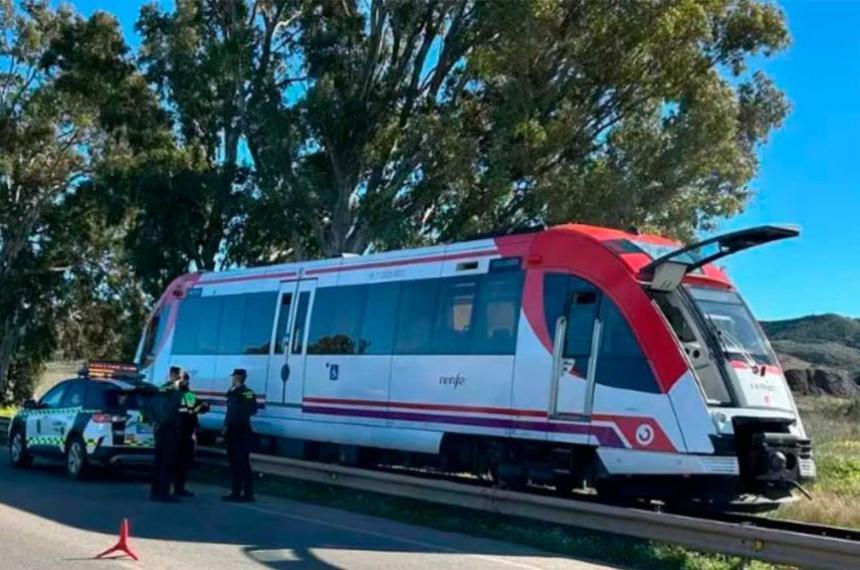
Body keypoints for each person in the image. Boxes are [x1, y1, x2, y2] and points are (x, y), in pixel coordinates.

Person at [147, 366, 183, 502]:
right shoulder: (175, 392)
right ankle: (164, 493)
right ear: (178, 376)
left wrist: (155, 422)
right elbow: (172, 411)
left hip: (159, 429)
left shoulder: (160, 389)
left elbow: (150, 407)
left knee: (158, 461)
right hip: (170, 428)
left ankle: (154, 492)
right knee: (167, 462)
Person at [222, 368, 258, 503]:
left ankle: (238, 493)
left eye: (234, 377)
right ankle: (246, 493)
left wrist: (225, 427)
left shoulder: (235, 393)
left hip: (236, 430)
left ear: (237, 377)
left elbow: (231, 413)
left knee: (238, 463)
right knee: (241, 463)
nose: (232, 379)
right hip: (243, 429)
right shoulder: (247, 392)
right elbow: (253, 410)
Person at [173, 371, 209, 498]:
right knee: (180, 462)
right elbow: (201, 407)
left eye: (186, 379)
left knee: (179, 462)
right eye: (184, 379)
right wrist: (202, 406)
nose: (186, 382)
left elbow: (200, 407)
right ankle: (177, 488)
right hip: (182, 433)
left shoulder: (176, 394)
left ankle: (175, 488)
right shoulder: (185, 395)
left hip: (178, 433)